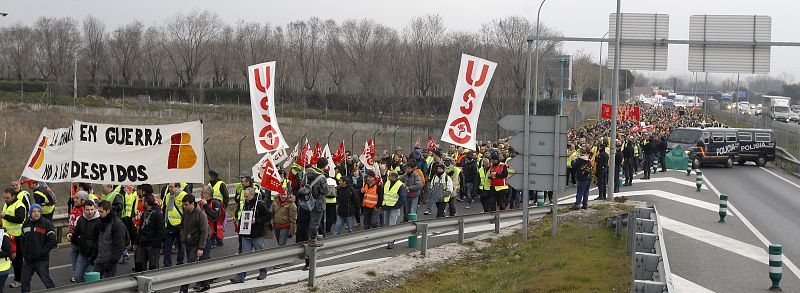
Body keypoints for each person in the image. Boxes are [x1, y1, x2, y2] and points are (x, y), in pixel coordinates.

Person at [230, 188, 270, 284]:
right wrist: (238, 220)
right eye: (244, 196)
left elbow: (269, 215)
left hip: (257, 234)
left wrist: (257, 220)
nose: (245, 198)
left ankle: (263, 272)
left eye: (247, 196)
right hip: (246, 234)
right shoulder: (245, 204)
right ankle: (240, 276)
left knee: (259, 254)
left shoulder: (259, 204)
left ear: (252, 195)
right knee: (244, 255)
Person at [19, 204, 56, 293]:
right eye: (34, 211)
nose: (36, 213)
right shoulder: (26, 223)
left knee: (47, 281)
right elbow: (22, 240)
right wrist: (24, 253)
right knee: (24, 282)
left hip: (41, 260)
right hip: (28, 261)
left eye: (38, 211)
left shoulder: (46, 224)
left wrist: (41, 252)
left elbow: (52, 240)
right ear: (30, 213)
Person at [179, 194, 209, 292]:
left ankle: (184, 288)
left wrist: (201, 248)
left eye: (186, 204)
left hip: (196, 245)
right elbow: (182, 226)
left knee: (189, 266)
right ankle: (206, 283)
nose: (184, 206)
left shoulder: (201, 215)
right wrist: (183, 236)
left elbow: (204, 232)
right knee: (196, 266)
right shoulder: (186, 213)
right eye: (183, 205)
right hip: (188, 244)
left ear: (192, 204)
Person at [69, 199, 100, 282]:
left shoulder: (99, 221)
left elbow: (99, 239)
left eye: (92, 209)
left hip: (94, 255)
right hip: (83, 253)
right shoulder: (81, 220)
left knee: (90, 280)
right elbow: (75, 234)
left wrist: (95, 253)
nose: (90, 212)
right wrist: (74, 239)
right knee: (78, 277)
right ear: (83, 209)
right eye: (88, 209)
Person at [95, 200, 126, 279]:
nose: (99, 214)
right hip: (98, 259)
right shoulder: (99, 221)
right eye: (98, 211)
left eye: (101, 212)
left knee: (107, 286)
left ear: (108, 211)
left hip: (109, 261)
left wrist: (112, 262)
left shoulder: (117, 224)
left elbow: (119, 245)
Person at [1, 187, 26, 288]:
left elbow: (19, 219)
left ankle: (18, 279)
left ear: (13, 196)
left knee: (17, 259)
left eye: (7, 198)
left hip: (17, 236)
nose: (5, 199)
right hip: (6, 235)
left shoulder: (19, 205)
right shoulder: (7, 203)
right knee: (8, 257)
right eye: (4, 198)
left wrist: (5, 216)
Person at [134, 193, 163, 273]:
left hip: (152, 245)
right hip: (142, 243)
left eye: (142, 201)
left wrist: (156, 244)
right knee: (139, 265)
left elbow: (160, 231)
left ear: (146, 202)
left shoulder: (157, 214)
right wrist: (137, 242)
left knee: (153, 267)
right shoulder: (144, 213)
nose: (141, 203)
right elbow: (141, 228)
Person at [304, 158, 330, 247]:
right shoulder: (321, 177)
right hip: (318, 202)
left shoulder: (308, 173)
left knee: (311, 219)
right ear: (324, 166)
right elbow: (326, 191)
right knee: (315, 221)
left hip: (308, 200)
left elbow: (303, 183)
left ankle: (313, 235)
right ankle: (312, 239)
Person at [67, 191, 90, 282]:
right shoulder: (74, 208)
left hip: (81, 240)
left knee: (82, 259)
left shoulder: (86, 211)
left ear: (83, 200)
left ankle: (83, 275)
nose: (74, 199)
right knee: (74, 258)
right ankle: (76, 274)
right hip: (73, 239)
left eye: (77, 198)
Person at [162, 183, 187, 267]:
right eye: (169, 187)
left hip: (180, 225)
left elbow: (187, 211)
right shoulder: (168, 196)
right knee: (167, 245)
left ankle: (180, 263)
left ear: (177, 187)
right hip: (169, 224)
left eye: (172, 187)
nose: (170, 189)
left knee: (181, 245)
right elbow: (166, 210)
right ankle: (167, 264)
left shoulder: (183, 195)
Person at [382, 171, 407, 249]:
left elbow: (403, 197)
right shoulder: (387, 183)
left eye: (390, 176)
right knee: (386, 224)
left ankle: (391, 241)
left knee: (391, 224)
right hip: (386, 206)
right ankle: (389, 239)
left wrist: (397, 206)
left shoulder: (400, 185)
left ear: (394, 177)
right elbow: (385, 194)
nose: (389, 177)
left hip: (394, 208)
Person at [200, 187, 223, 262]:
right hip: (201, 232)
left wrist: (206, 206)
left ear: (207, 194)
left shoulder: (215, 203)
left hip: (211, 232)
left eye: (203, 192)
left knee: (204, 256)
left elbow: (215, 216)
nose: (201, 194)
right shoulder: (200, 203)